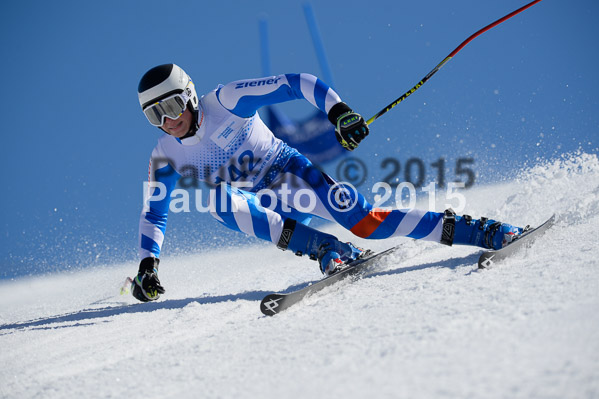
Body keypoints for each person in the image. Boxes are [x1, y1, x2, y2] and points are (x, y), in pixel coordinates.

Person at [131, 63, 524, 302]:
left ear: (189, 95)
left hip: (289, 172)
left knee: (367, 223)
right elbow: (154, 211)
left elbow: (297, 82)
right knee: (214, 202)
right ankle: (327, 249)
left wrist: (339, 112)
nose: (167, 121)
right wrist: (149, 264)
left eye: (170, 106)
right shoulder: (167, 155)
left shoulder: (227, 101)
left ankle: (485, 232)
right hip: (255, 200)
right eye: (155, 116)